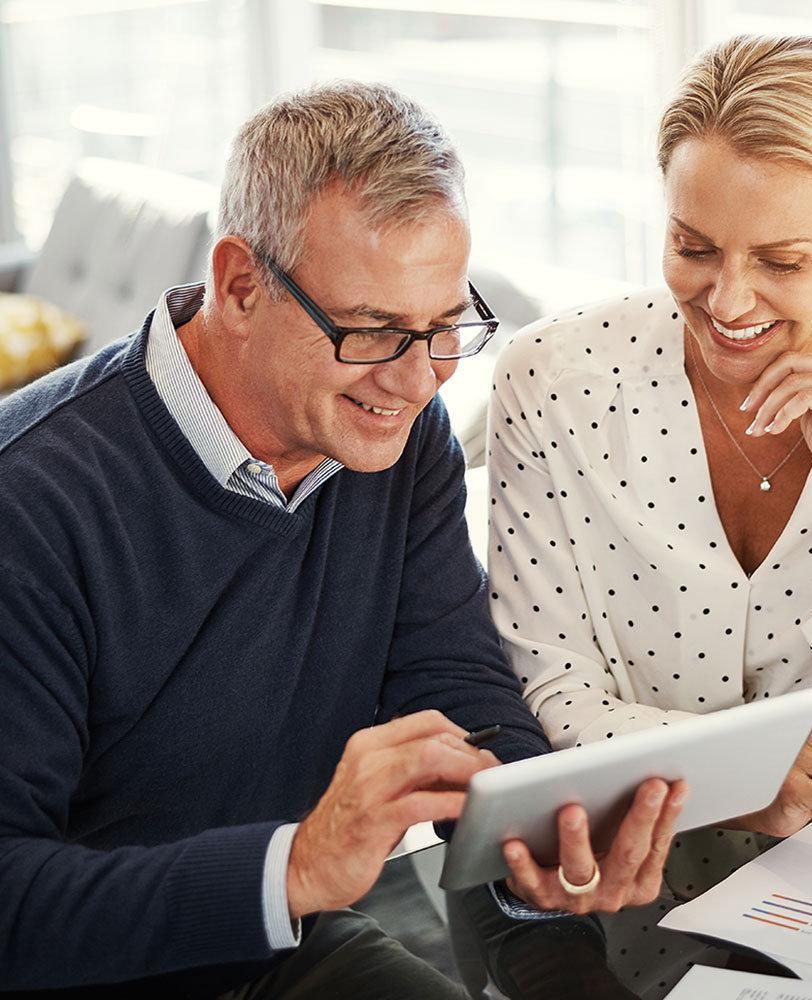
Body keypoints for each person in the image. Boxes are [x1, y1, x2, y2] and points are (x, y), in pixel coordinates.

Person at [0, 83, 686, 998]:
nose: (416, 381)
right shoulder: (31, 504)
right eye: (372, 332)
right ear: (240, 283)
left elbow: (454, 685)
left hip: (277, 948)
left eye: (445, 328)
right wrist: (294, 867)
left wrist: (543, 838)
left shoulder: (396, 444)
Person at [487, 33, 812, 995]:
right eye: (692, 247)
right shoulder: (555, 380)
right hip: (590, 903)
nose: (726, 299)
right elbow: (543, 693)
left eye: (781, 260)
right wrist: (743, 769)